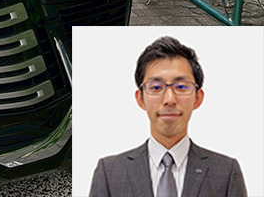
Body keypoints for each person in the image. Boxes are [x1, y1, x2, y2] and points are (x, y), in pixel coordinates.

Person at [88, 36, 247, 197]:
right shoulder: (109, 172)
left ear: (197, 98)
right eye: (156, 87)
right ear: (140, 99)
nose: (169, 99)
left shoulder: (226, 172)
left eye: (181, 87)